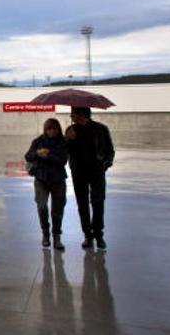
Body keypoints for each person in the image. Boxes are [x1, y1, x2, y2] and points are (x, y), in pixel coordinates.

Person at [65, 106, 115, 249]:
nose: (71, 117)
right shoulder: (71, 130)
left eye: (73, 114)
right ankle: (87, 235)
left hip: (97, 172)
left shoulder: (101, 129)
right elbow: (65, 150)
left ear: (82, 115)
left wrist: (104, 165)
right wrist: (67, 139)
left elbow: (110, 151)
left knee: (98, 202)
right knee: (82, 204)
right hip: (78, 172)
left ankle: (99, 235)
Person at [25, 118, 69, 250]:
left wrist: (48, 154)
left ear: (58, 129)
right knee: (42, 206)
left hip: (58, 180)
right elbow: (28, 156)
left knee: (57, 209)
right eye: (49, 128)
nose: (51, 131)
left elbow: (62, 160)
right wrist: (38, 153)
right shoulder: (38, 141)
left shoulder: (62, 143)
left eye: (54, 129)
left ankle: (57, 236)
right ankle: (45, 234)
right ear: (45, 129)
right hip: (41, 179)